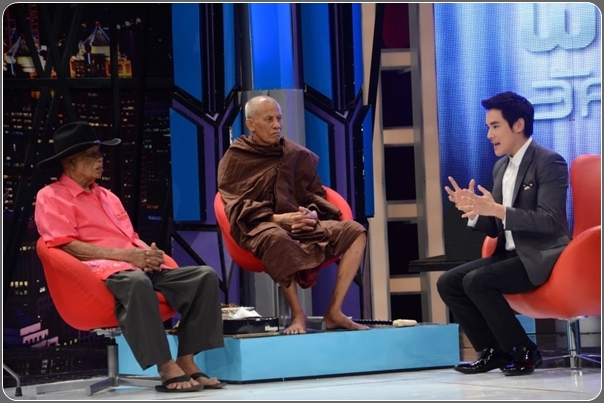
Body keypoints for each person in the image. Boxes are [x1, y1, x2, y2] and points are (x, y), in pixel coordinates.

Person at [34, 121, 227, 393]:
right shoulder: (51, 196)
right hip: (98, 274)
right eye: (92, 155)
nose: (100, 160)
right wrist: (129, 257)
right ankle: (165, 365)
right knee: (137, 281)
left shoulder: (108, 196)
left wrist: (148, 254)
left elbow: (129, 237)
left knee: (204, 277)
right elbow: (65, 246)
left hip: (134, 265)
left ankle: (186, 358)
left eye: (100, 153)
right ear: (70, 162)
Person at [437, 91, 570, 376]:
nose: (489, 135)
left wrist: (497, 209)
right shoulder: (500, 167)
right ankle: (493, 351)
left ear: (518, 125)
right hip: (509, 255)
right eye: (488, 127)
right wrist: (474, 211)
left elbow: (549, 221)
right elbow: (496, 227)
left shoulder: (549, 162)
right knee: (448, 282)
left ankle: (524, 350)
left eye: (495, 126)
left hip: (542, 256)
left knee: (477, 281)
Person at [217, 95, 369, 335]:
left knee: (356, 231)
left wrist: (311, 215)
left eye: (279, 119)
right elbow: (235, 205)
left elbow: (315, 195)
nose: (277, 125)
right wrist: (279, 219)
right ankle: (298, 314)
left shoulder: (296, 154)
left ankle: (334, 312)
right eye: (269, 119)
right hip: (261, 225)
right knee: (275, 237)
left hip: (301, 223)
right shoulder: (236, 158)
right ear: (250, 124)